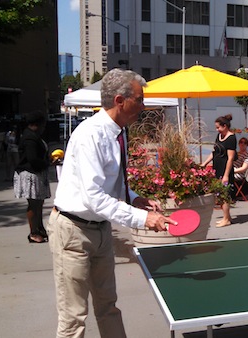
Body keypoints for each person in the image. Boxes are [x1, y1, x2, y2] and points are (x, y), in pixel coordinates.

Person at [48, 68, 175, 338]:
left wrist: (135, 198)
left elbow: (112, 183)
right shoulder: (89, 135)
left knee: (108, 307)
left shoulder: (119, 132)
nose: (143, 105)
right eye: (139, 100)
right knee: (73, 318)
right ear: (120, 101)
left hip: (101, 231)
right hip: (73, 232)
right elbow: (94, 197)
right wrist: (144, 219)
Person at [14, 112, 51, 243]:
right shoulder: (30, 138)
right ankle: (33, 232)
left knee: (39, 202)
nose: (44, 128)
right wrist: (48, 163)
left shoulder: (34, 136)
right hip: (30, 174)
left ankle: (40, 227)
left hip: (37, 173)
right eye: (43, 125)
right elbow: (32, 158)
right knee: (33, 203)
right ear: (37, 125)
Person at [201, 114, 236, 227]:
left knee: (224, 194)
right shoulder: (219, 136)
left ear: (225, 126)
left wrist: (226, 175)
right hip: (217, 168)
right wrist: (205, 163)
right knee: (220, 193)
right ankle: (227, 216)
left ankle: (226, 219)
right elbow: (214, 152)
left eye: (218, 127)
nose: (217, 130)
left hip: (225, 170)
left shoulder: (231, 138)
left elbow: (230, 158)